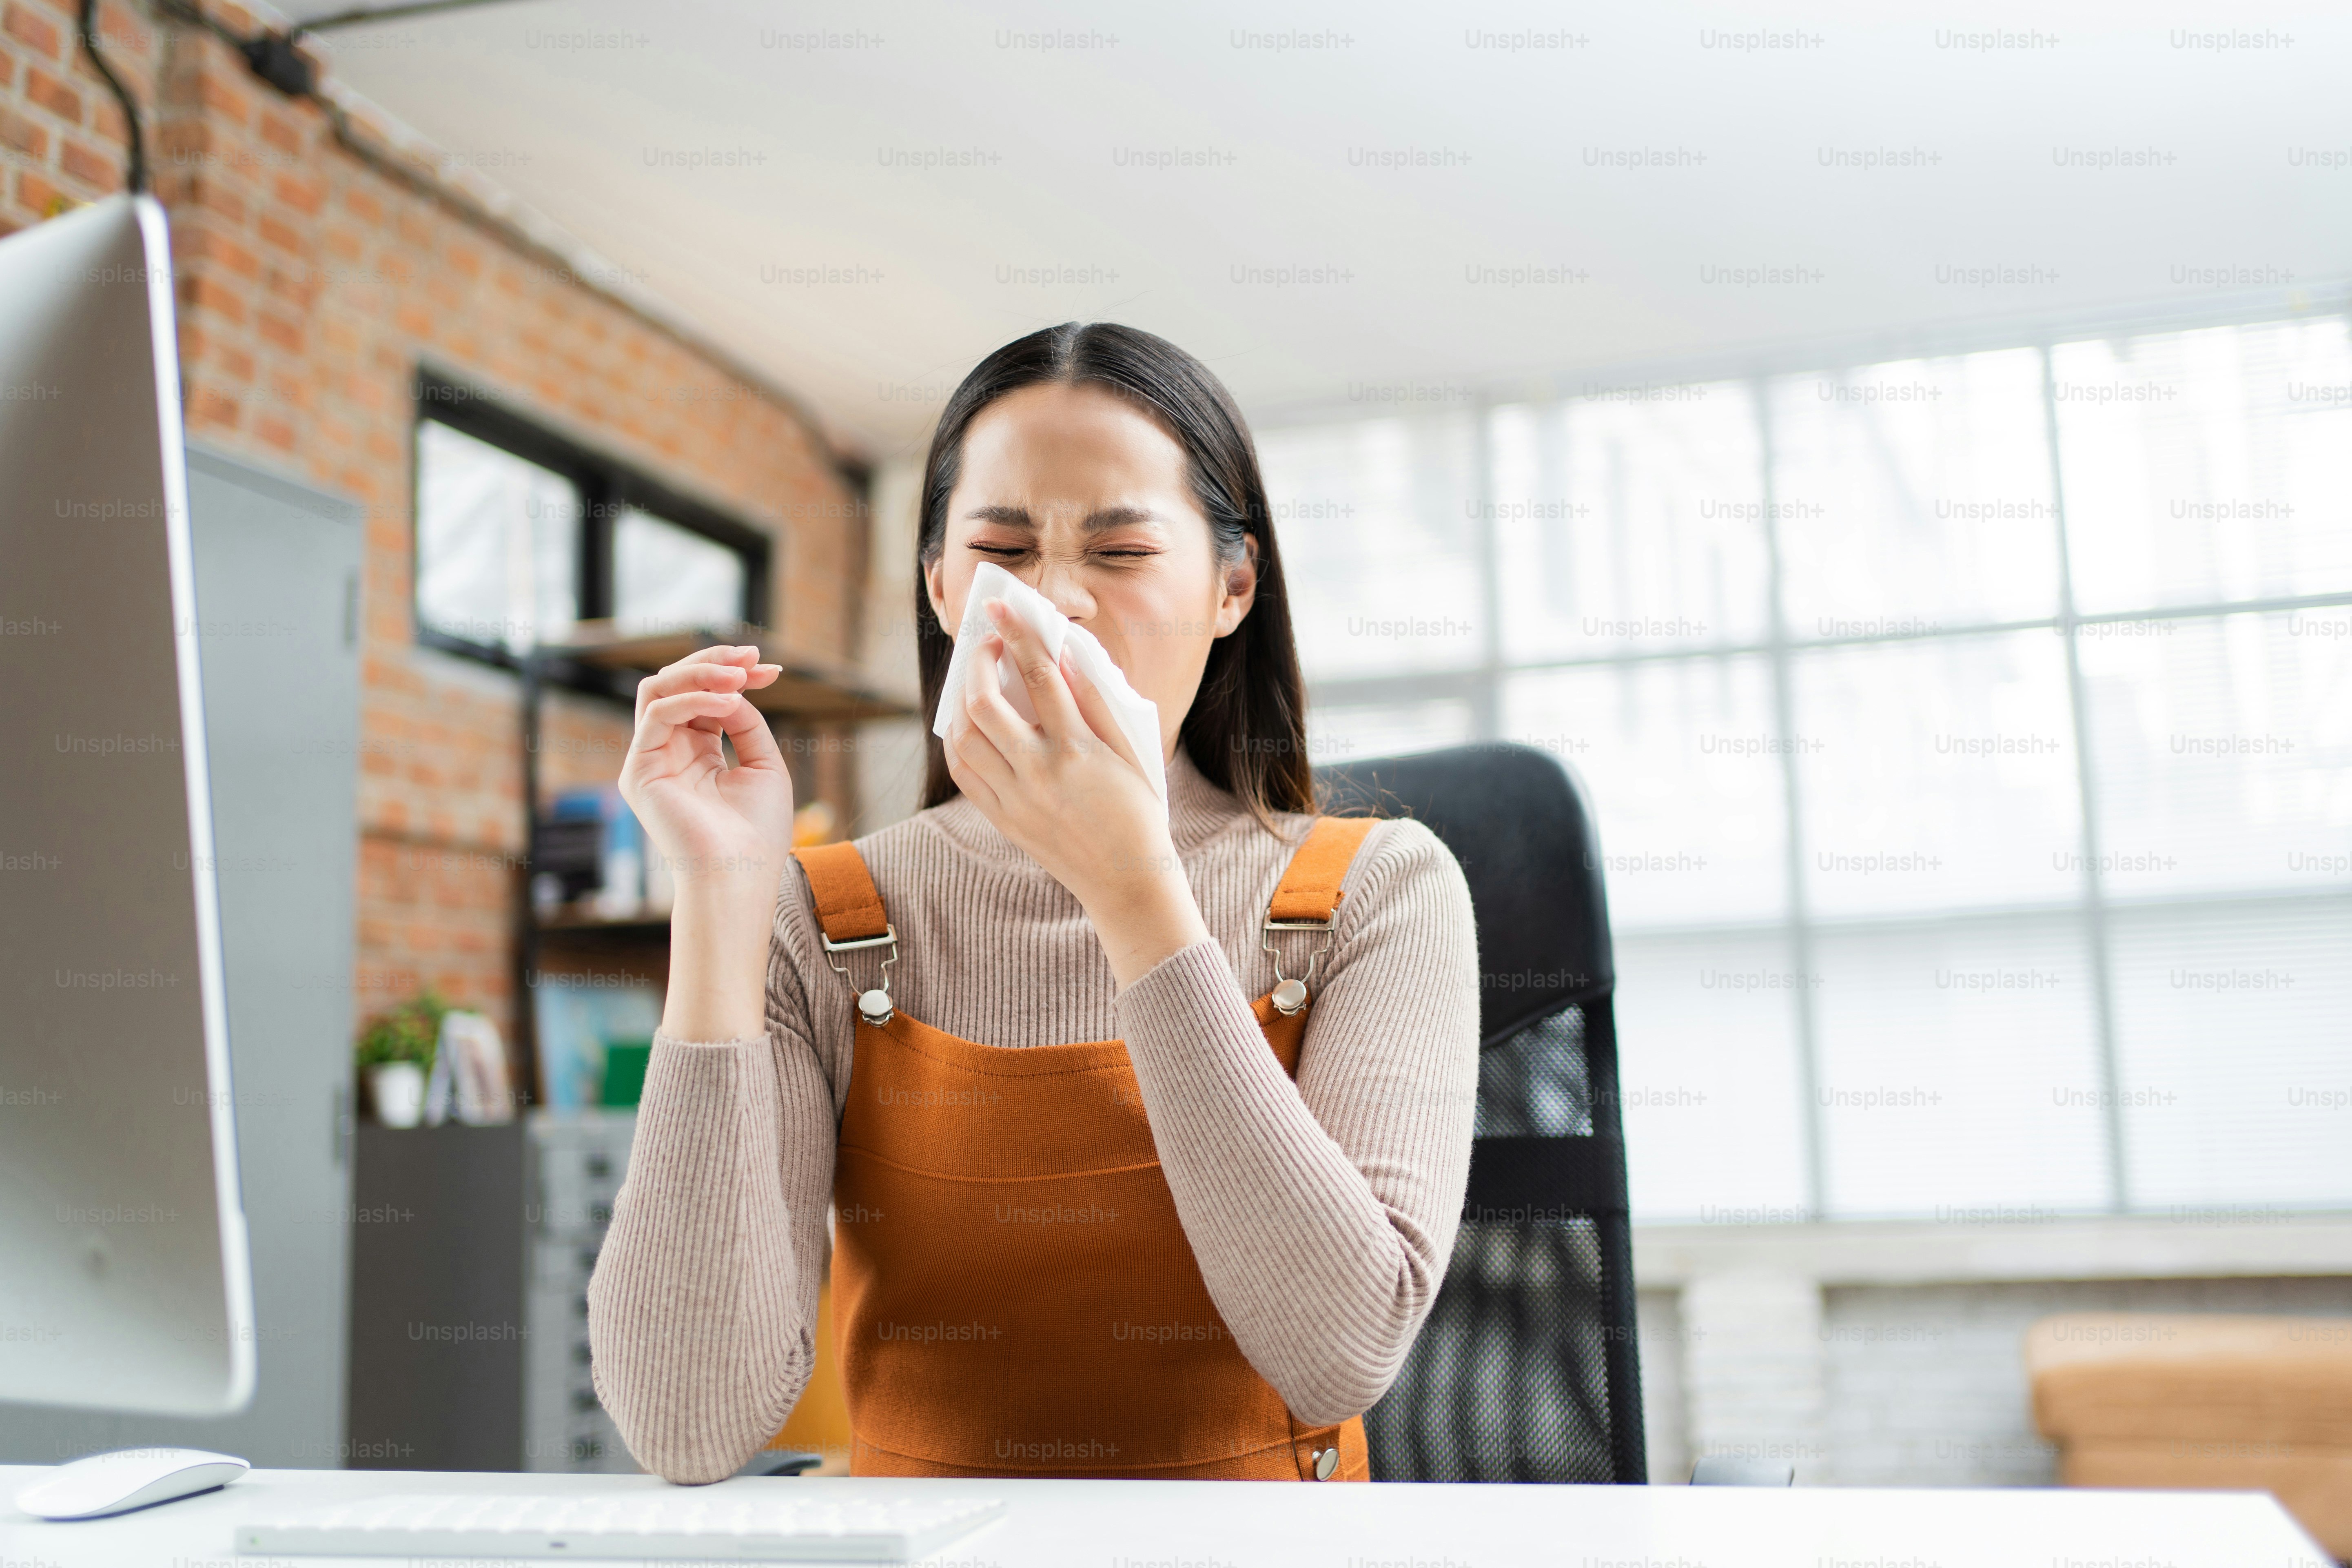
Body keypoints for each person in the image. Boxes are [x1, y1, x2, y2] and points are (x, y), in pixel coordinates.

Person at [587, 322, 1479, 1484]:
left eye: (1119, 553)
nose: (1055, 605)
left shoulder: (1381, 891)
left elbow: (1342, 1350)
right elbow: (688, 1425)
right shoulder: (826, 915)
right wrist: (718, 897)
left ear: (1232, 586)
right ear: (943, 589)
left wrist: (1134, 886)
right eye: (1004, 549)